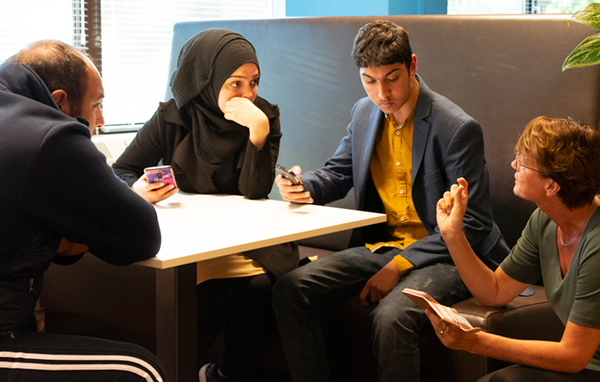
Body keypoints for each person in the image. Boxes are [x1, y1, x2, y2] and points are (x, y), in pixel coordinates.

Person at [271, 20, 510, 382]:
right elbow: (339, 172)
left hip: (447, 252)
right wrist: (304, 186)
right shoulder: (364, 113)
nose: (381, 92)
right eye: (369, 80)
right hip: (382, 243)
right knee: (291, 289)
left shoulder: (456, 127)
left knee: (391, 316)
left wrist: (398, 265)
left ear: (413, 66)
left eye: (392, 78)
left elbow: (473, 223)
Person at [112, 28, 298, 382]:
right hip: (194, 241)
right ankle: (169, 373)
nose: (247, 95)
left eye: (254, 83)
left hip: (248, 240)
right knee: (215, 296)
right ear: (207, 81)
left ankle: (222, 374)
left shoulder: (263, 118)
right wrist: (136, 188)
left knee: (263, 290)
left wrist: (258, 135)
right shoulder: (173, 116)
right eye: (235, 84)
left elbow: (255, 192)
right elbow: (121, 169)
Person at [0, 40, 166, 382]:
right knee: (141, 370)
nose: (101, 120)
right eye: (97, 104)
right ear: (59, 101)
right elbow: (141, 236)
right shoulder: (48, 135)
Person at [429, 116, 600, 382]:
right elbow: (494, 291)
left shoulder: (597, 244)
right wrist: (452, 234)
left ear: (552, 185)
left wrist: (476, 342)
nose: (513, 165)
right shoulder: (545, 220)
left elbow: (573, 356)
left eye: (522, 161)